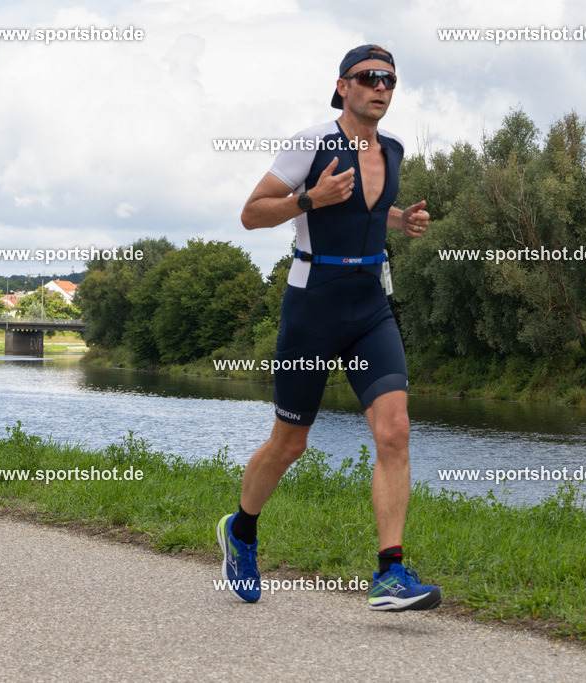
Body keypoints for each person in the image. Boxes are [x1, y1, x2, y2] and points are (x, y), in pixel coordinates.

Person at [217, 45, 440, 611]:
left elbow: (363, 208)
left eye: (389, 79)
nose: (380, 87)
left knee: (395, 432)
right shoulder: (311, 144)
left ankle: (390, 573)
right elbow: (252, 212)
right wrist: (307, 198)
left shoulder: (391, 150)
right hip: (312, 305)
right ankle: (241, 532)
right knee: (290, 442)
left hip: (370, 306)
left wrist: (399, 218)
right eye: (368, 78)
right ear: (343, 86)